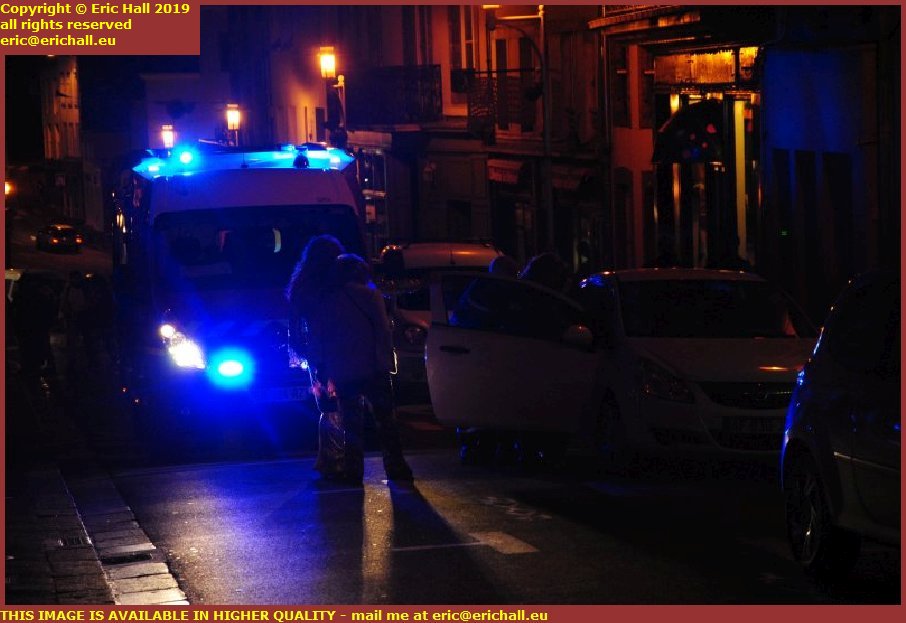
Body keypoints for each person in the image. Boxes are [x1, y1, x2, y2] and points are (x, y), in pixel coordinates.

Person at [287, 237, 413, 485]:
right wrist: (386, 363)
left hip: (339, 367)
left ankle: (347, 469)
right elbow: (383, 331)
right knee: (385, 421)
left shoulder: (317, 295)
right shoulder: (368, 295)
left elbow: (315, 334)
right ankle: (396, 468)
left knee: (346, 421)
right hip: (372, 366)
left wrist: (319, 363)